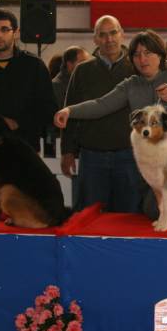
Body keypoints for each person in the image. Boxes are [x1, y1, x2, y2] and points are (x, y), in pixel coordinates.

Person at [54, 30, 167, 218]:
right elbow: (101, 104)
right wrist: (69, 111)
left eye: (148, 53)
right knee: (152, 211)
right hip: (155, 159)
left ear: (160, 54)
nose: (142, 59)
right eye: (136, 55)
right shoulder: (130, 85)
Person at [59, 16, 141, 212]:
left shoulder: (137, 68)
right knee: (90, 217)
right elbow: (71, 111)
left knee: (129, 217)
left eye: (113, 33)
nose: (109, 39)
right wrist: (67, 151)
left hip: (130, 156)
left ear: (122, 34)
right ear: (95, 39)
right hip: (92, 157)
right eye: (102, 35)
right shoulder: (82, 71)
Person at [0, 8, 57, 150]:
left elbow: (48, 108)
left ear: (16, 33)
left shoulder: (34, 66)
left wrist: (19, 123)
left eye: (5, 29)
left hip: (24, 146)